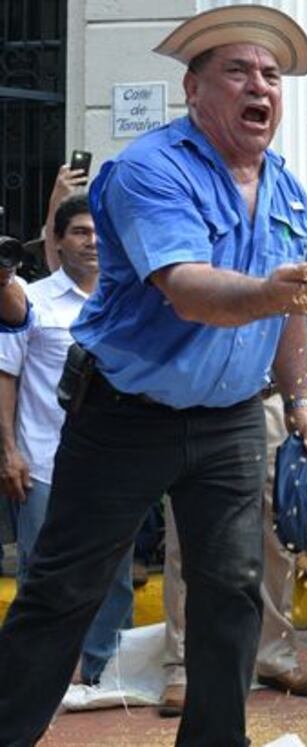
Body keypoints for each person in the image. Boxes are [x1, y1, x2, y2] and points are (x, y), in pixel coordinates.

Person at [0, 6, 307, 744]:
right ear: (194, 89)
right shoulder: (149, 168)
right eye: (237, 70)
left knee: (232, 593)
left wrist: (299, 395)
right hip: (124, 414)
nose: (258, 84)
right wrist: (281, 290)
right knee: (64, 589)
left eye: (270, 74)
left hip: (232, 417)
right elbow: (188, 287)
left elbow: (291, 315)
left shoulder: (291, 191)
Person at [157, 316, 307, 717]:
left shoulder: (278, 255)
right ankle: (182, 668)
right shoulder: (188, 255)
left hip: (267, 401)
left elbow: (295, 326)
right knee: (186, 540)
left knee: (276, 533)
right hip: (194, 403)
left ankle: (274, 654)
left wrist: (299, 401)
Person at [0, 195, 134, 687]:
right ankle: (34, 677)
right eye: (79, 231)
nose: (92, 241)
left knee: (115, 576)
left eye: (99, 231)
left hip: (116, 468)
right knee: (43, 576)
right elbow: (5, 376)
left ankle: (106, 671)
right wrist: (8, 452)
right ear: (57, 240)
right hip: (43, 464)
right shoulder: (29, 300)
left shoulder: (126, 299)